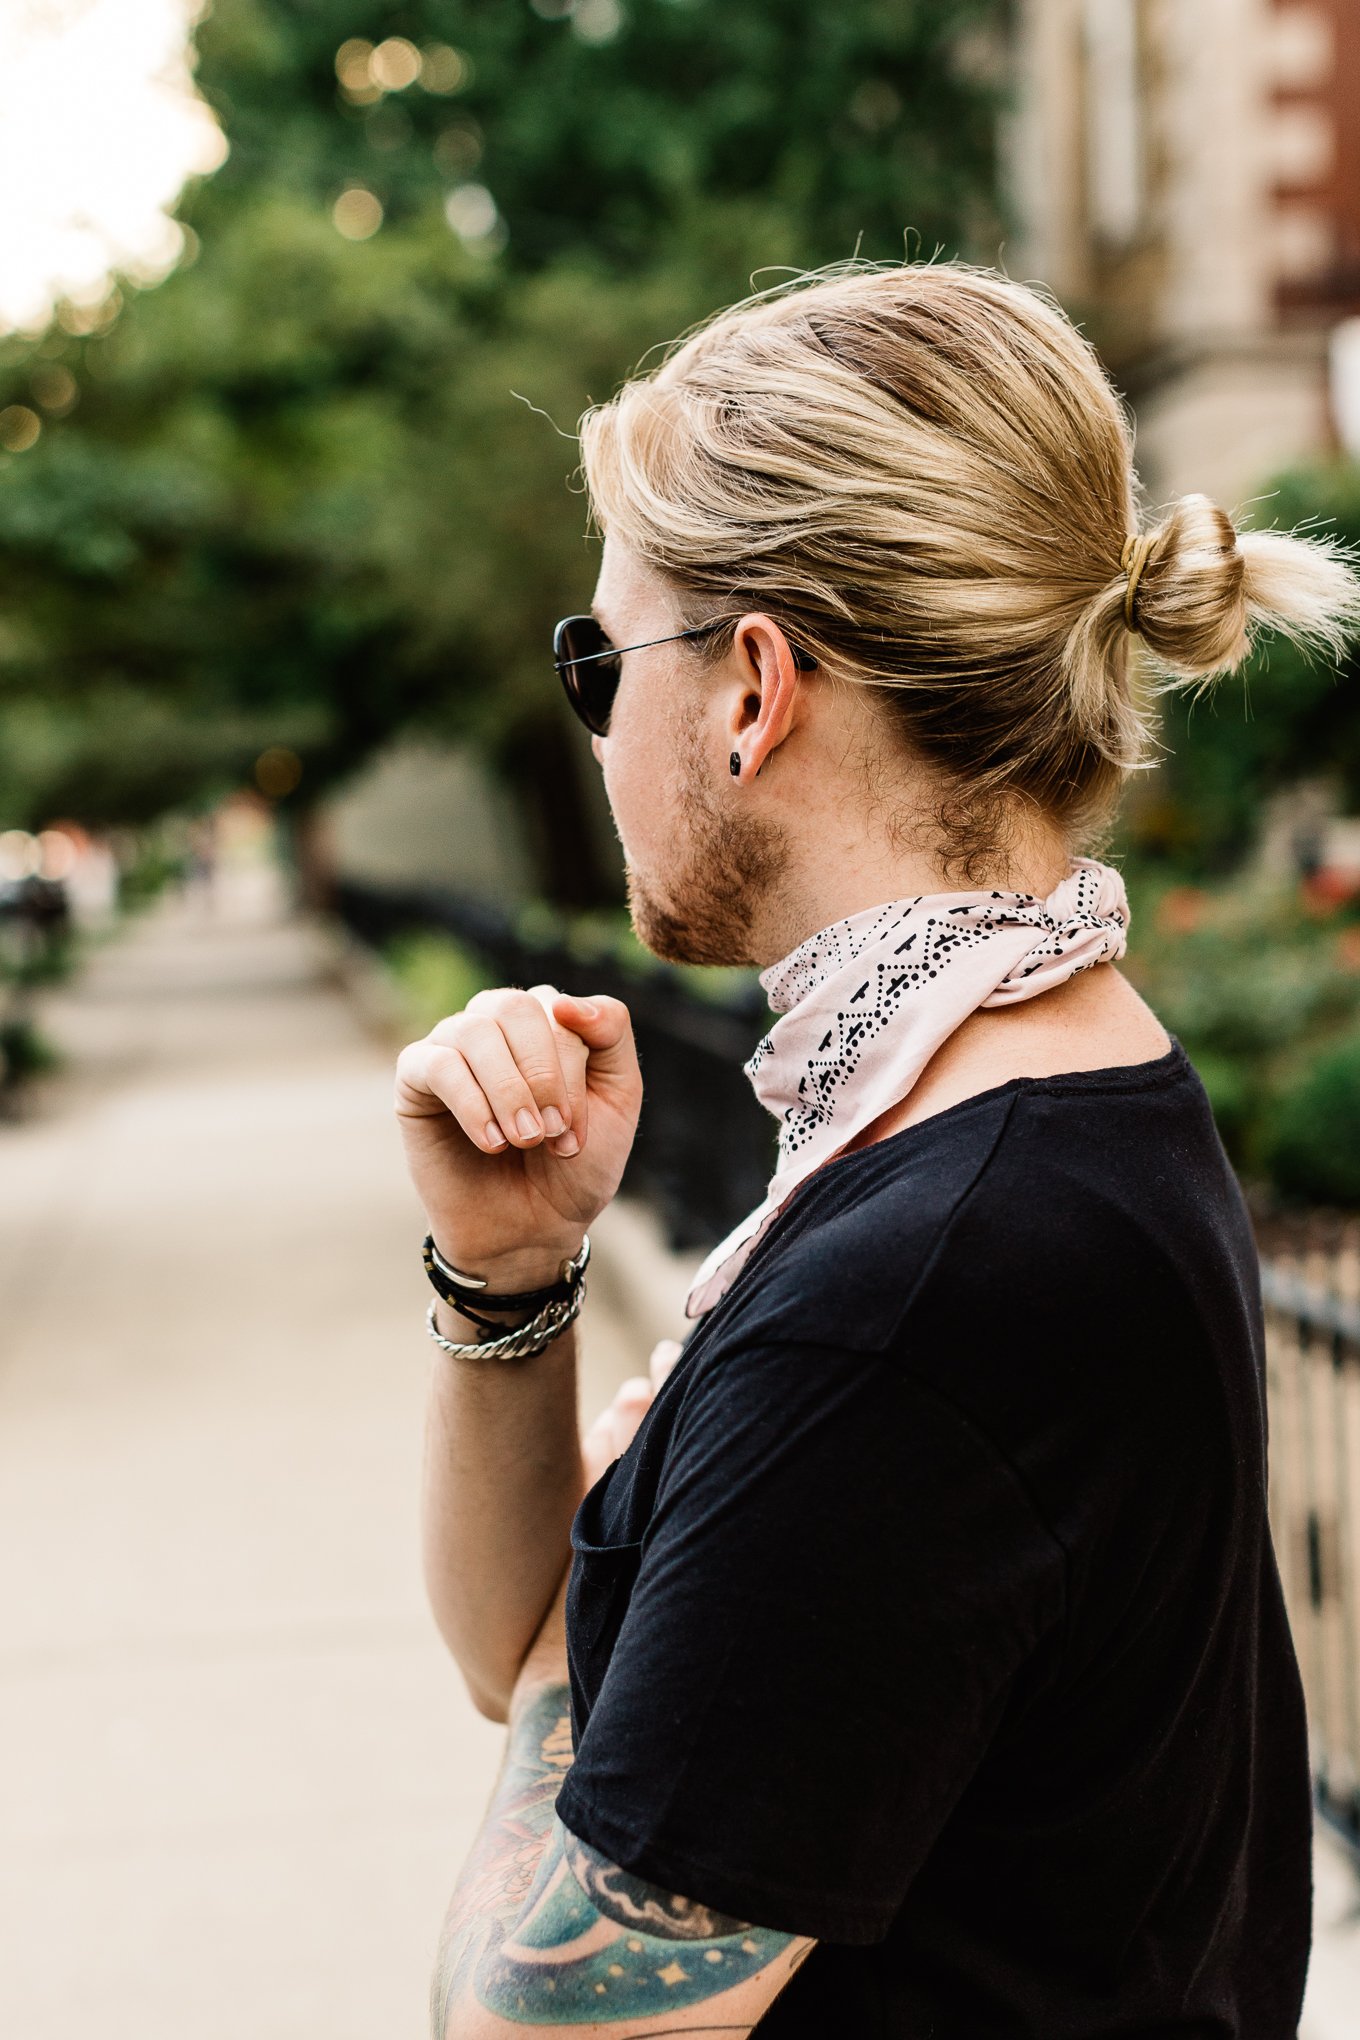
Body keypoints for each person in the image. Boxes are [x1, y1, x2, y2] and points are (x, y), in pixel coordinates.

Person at [396, 261, 1360, 2039]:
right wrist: (509, 1276)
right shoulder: (1043, 1088)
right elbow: (507, 1633)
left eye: (601, 662)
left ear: (753, 691)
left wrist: (557, 1685)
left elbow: (540, 2017)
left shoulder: (915, 1291)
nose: (598, 735)